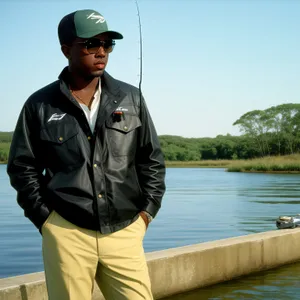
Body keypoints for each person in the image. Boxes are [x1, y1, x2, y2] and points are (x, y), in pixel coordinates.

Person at [7, 9, 166, 300]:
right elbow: (22, 167)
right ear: (66, 49)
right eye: (91, 44)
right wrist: (47, 220)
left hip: (126, 230)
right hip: (66, 232)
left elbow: (151, 159)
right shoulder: (39, 104)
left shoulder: (131, 98)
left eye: (108, 44)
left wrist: (146, 214)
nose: (101, 51)